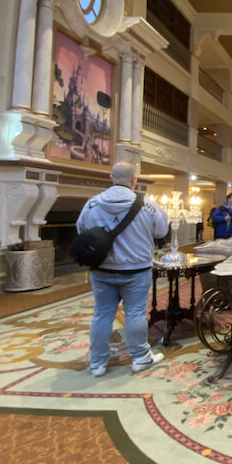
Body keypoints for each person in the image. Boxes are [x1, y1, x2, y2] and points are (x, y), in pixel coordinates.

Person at [76, 161, 169, 377]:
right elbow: (162, 230)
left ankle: (97, 363)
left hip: (102, 269)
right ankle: (140, 358)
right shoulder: (147, 204)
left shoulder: (92, 204)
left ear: (111, 178)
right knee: (135, 313)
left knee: (101, 315)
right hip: (136, 270)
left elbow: (81, 230)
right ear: (134, 179)